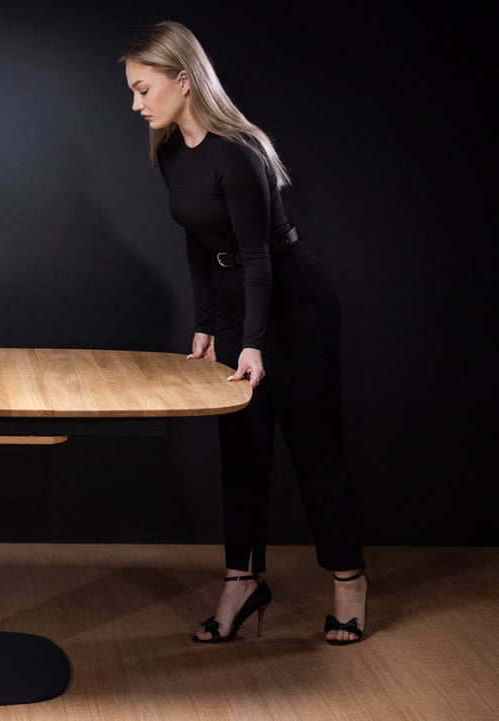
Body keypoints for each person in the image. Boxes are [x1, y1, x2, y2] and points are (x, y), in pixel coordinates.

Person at [119, 20, 368, 644]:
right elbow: (199, 243)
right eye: (132, 90)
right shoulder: (169, 151)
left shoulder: (239, 152)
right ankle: (242, 580)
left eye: (144, 89)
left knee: (313, 447)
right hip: (237, 308)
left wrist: (254, 341)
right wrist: (207, 326)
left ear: (183, 79)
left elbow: (259, 258)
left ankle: (349, 581)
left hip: (294, 303)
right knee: (242, 448)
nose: (135, 104)